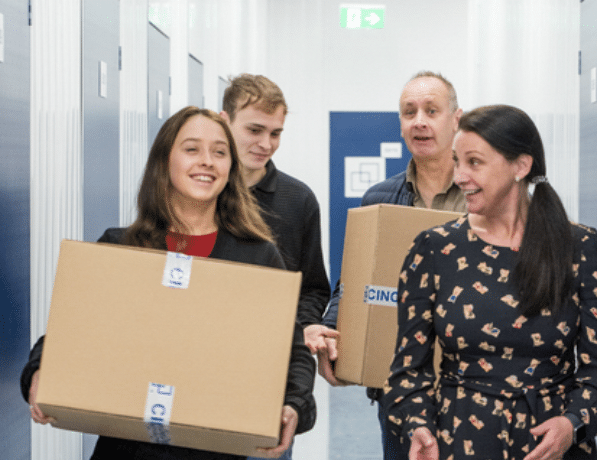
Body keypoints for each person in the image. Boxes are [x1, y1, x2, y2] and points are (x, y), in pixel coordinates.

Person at [21, 106, 316, 460]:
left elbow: (292, 349)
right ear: (165, 161)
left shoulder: (256, 257)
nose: (207, 161)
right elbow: (71, 331)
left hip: (214, 451)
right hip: (126, 451)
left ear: (230, 169)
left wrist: (294, 404)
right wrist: (40, 369)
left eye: (219, 152)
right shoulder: (122, 249)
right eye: (192, 149)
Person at [382, 105, 597, 460]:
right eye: (457, 161)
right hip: (459, 443)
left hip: (554, 448)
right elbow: (407, 371)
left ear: (520, 167)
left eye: (474, 162)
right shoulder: (434, 249)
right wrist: (418, 424)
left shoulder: (579, 248)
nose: (460, 175)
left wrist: (572, 424)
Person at [319, 71, 466, 460]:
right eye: (409, 112)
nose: (419, 120)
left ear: (456, 120)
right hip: (401, 387)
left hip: (473, 387)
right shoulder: (380, 198)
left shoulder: (482, 194)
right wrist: (337, 336)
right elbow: (351, 285)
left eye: (431, 110)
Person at [219, 73, 333, 460]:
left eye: (276, 132)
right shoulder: (199, 192)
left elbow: (314, 287)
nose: (266, 144)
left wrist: (296, 328)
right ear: (224, 122)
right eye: (254, 129)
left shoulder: (298, 200)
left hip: (272, 377)